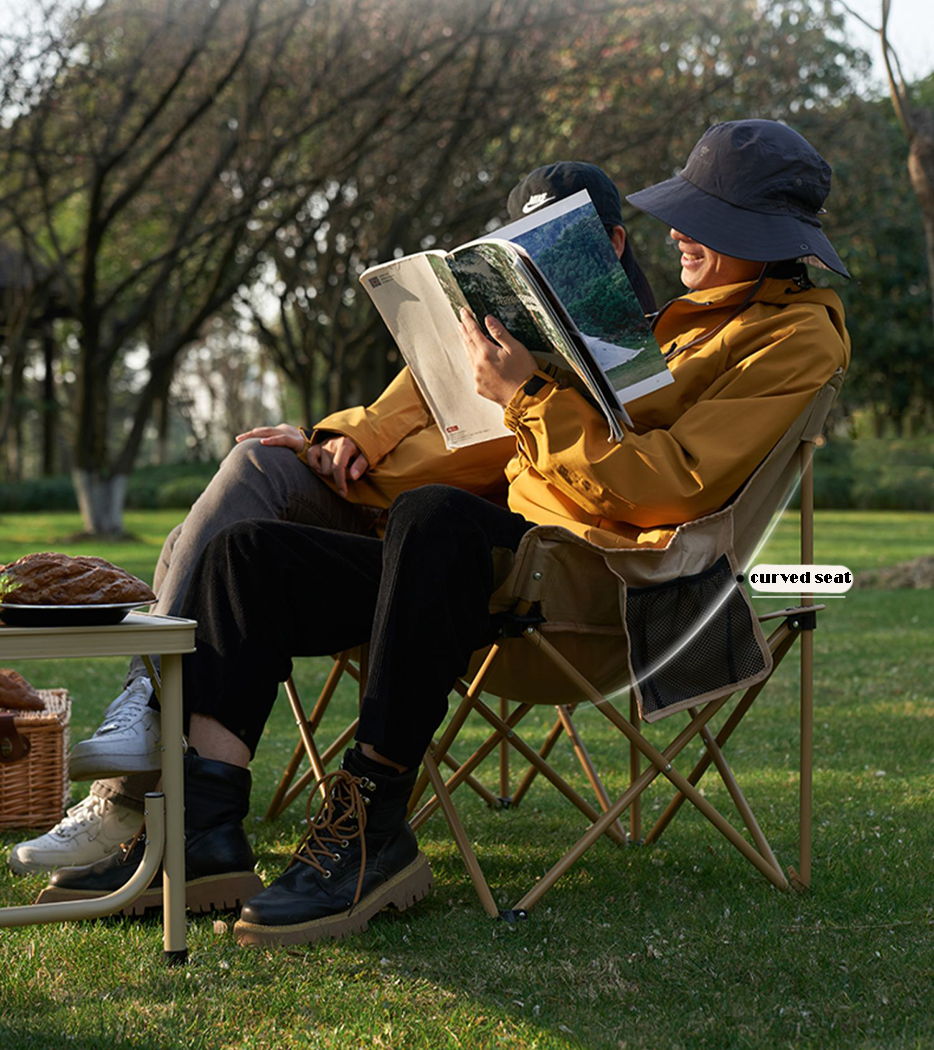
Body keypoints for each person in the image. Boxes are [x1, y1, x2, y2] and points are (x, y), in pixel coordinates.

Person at [38, 120, 851, 946]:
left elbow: (666, 488)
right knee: (246, 556)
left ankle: (371, 827)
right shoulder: (688, 314)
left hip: (603, 579)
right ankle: (204, 831)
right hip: (505, 554)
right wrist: (356, 434)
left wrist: (528, 397)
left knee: (435, 519)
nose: (678, 231)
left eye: (706, 219)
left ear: (767, 236)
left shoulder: (793, 338)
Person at [8, 162, 656, 875]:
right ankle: (146, 730)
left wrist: (519, 391)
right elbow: (412, 399)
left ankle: (134, 796)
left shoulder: (635, 360)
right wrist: (342, 438)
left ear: (612, 245)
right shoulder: (501, 331)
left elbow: (557, 472)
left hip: (463, 560)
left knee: (203, 547)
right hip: (387, 514)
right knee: (257, 470)